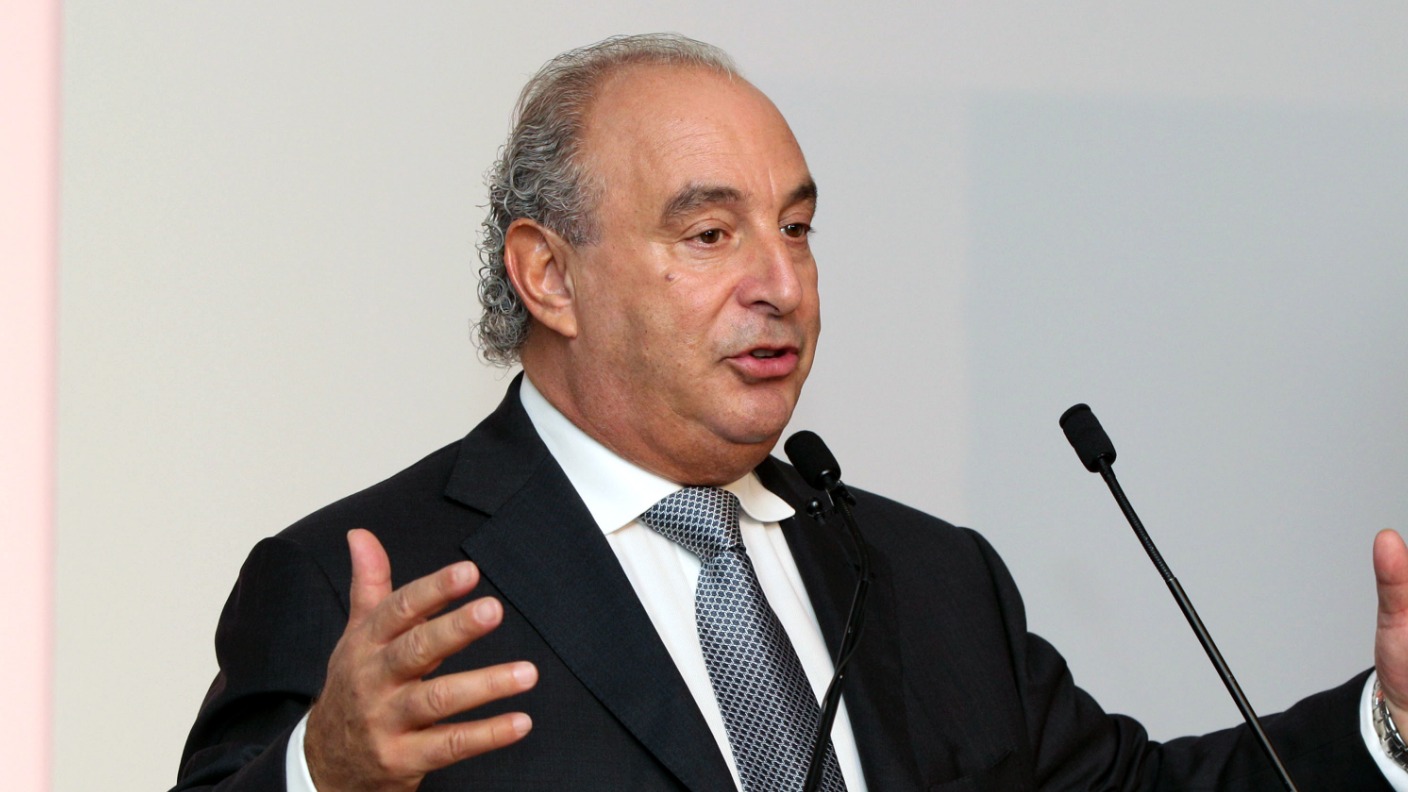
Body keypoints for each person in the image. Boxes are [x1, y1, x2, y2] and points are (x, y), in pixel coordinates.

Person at [174, 33, 1408, 791]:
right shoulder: (372, 589)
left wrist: (1389, 726)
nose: (781, 282)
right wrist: (319, 778)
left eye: (798, 228)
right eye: (709, 234)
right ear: (548, 276)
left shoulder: (928, 581)